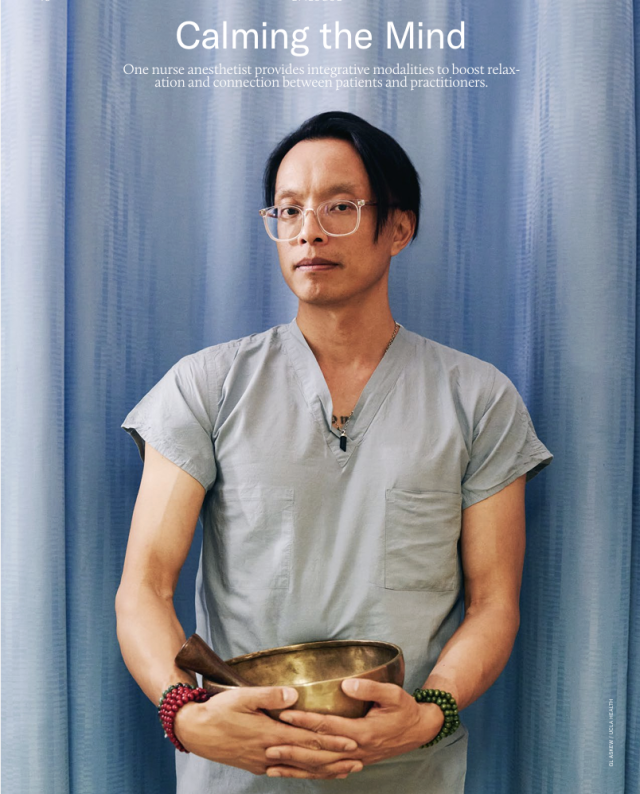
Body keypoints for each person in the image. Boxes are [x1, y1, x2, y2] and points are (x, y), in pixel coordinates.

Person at [116, 110, 553, 793]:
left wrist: (429, 713)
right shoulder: (206, 384)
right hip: (239, 774)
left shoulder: (479, 399)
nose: (309, 229)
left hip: (408, 771)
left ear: (399, 228)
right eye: (288, 210)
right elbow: (144, 585)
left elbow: (495, 602)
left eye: (341, 206)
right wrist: (187, 715)